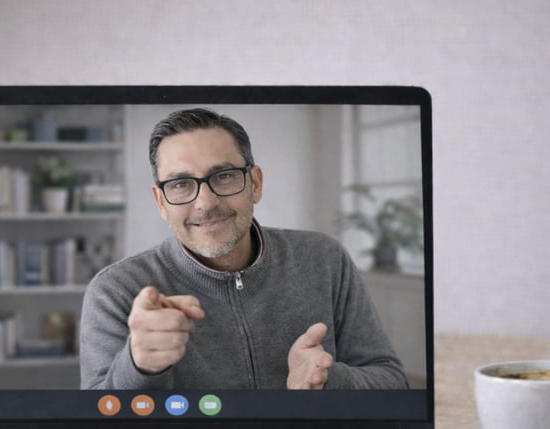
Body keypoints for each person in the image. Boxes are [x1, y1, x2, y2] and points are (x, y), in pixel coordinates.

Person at [79, 107, 408, 391]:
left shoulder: (324, 258)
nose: (205, 203)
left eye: (223, 176)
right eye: (180, 184)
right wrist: (139, 366)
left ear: (256, 184)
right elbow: (98, 423)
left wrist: (327, 379)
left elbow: (392, 382)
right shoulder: (114, 290)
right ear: (160, 202)